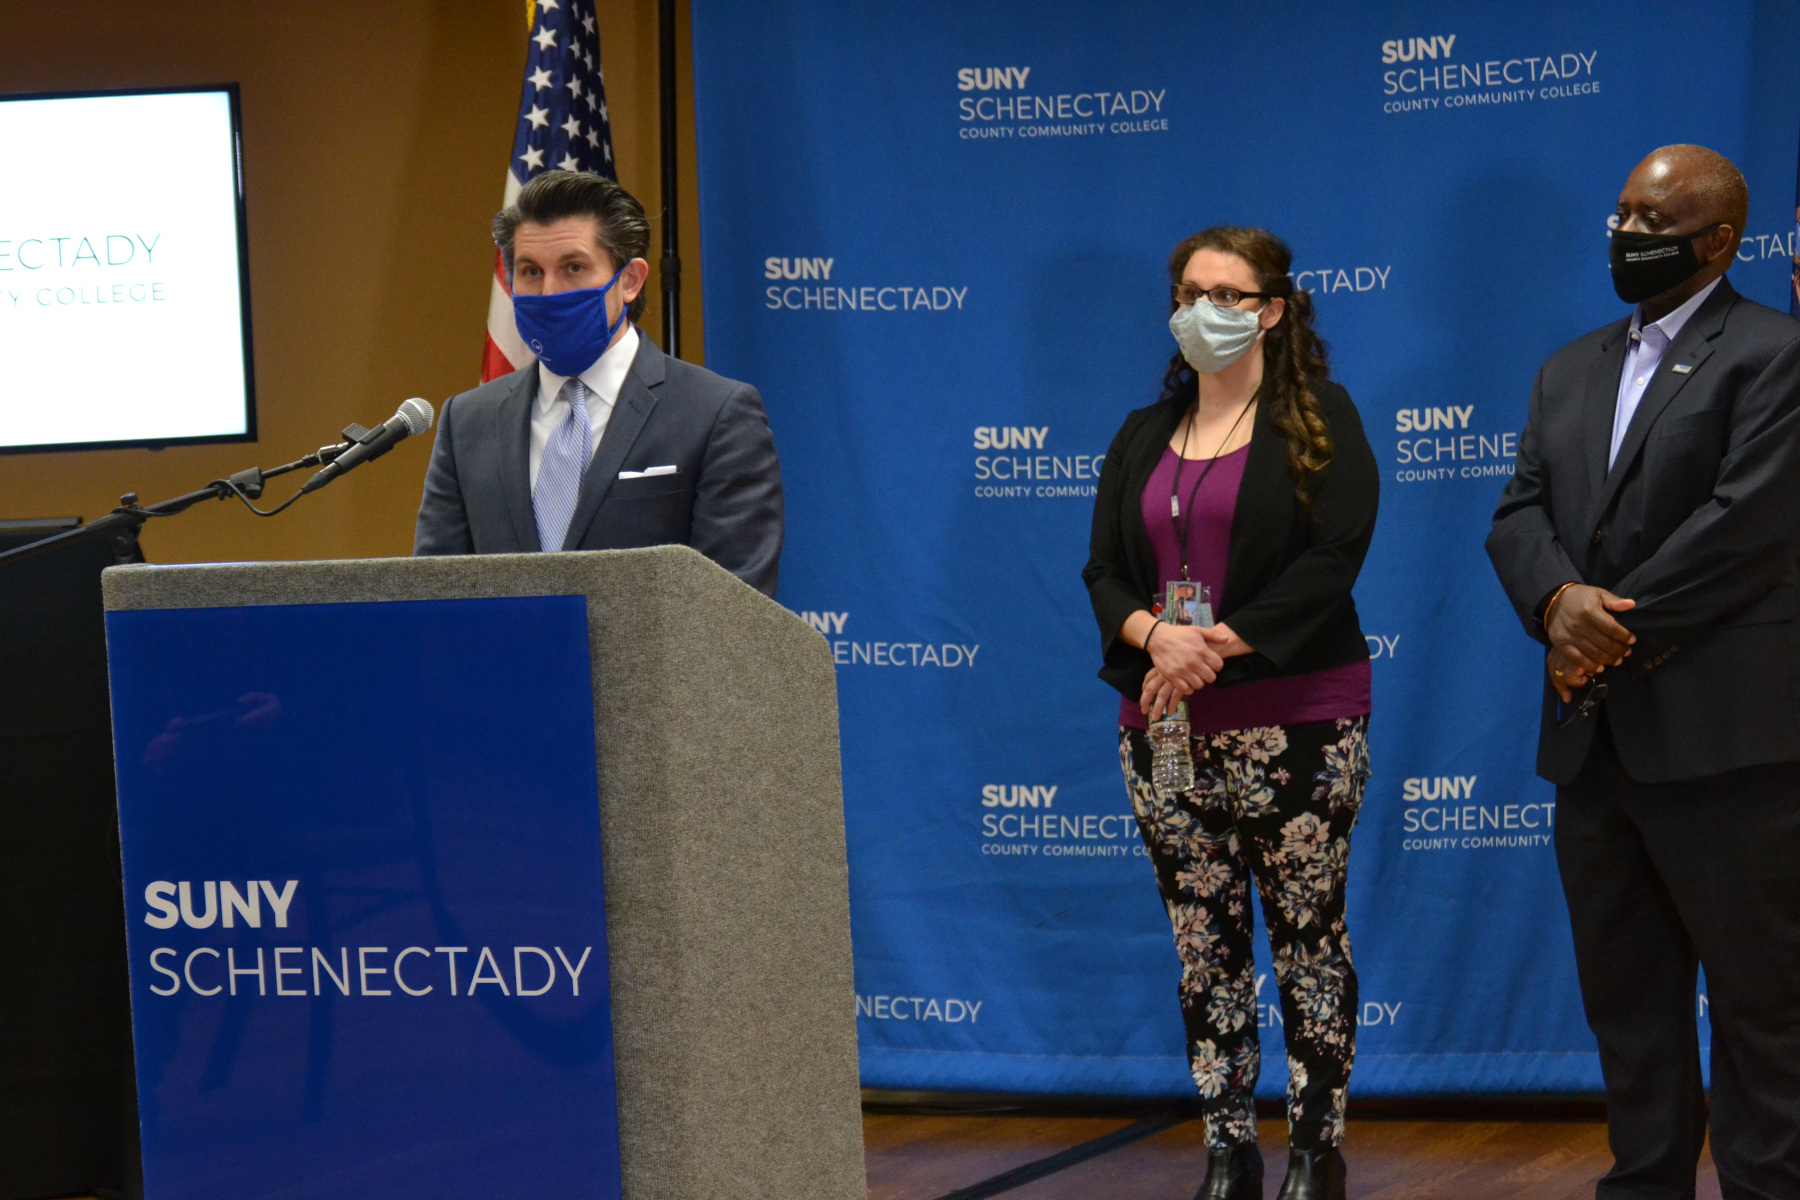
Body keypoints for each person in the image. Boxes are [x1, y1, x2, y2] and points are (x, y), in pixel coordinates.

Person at [1487, 145, 1800, 1199]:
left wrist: (1605, 626)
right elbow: (1520, 514)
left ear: (1717, 240)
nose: (1624, 233)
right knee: (1628, 1004)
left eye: (1650, 217)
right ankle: (1645, 1183)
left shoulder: (1775, 354)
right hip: (1594, 745)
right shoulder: (1566, 367)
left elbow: (1747, 528)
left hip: (1727, 745)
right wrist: (1552, 604)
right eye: (1619, 210)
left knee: (1766, 1006)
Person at [1084, 227, 1378, 1200]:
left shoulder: (1318, 419)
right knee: (1202, 940)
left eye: (1225, 291)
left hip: (1295, 721)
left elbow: (1333, 560)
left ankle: (1315, 1149)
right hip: (1165, 728)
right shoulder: (1140, 433)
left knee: (1305, 931)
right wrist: (1151, 634)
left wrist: (1215, 641)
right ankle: (1227, 1147)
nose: (1201, 306)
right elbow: (1105, 571)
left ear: (1271, 310)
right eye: (1187, 289)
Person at [414, 170, 784, 597]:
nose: (549, 292)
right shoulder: (466, 421)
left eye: (573, 267)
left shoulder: (716, 414)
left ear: (630, 280)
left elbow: (734, 608)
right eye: (530, 271)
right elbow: (434, 598)